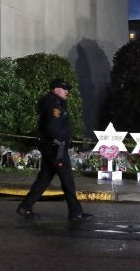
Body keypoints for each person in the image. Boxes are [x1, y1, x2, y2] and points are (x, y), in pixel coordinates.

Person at [16, 78, 93, 221]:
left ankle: (25, 207)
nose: (67, 91)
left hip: (51, 147)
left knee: (44, 179)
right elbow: (53, 127)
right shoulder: (53, 104)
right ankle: (75, 212)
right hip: (56, 148)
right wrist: (62, 139)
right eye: (64, 89)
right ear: (56, 89)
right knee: (67, 180)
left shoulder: (52, 102)